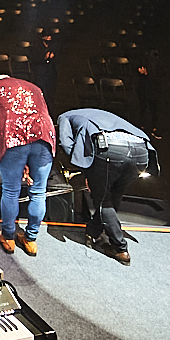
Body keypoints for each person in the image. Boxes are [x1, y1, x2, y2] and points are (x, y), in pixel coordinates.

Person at [57, 108, 157, 265]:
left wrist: (87, 171)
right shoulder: (101, 114)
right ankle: (93, 231)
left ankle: (120, 248)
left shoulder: (64, 117)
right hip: (142, 151)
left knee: (103, 200)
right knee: (114, 195)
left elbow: (66, 143)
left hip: (110, 149)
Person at [0, 74, 56, 256]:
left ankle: (8, 237)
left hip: (13, 135)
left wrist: (4, 146)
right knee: (39, 191)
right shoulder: (34, 86)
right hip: (44, 135)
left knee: (11, 191)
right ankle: (31, 239)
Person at [135, 47, 162, 139]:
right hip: (143, 86)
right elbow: (138, 70)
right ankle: (142, 127)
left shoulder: (156, 63)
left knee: (153, 108)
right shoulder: (143, 59)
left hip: (153, 87)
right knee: (143, 108)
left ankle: (154, 128)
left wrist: (148, 73)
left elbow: (158, 74)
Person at [30, 33, 58, 110]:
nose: (49, 38)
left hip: (50, 71)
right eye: (47, 37)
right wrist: (44, 58)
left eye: (50, 37)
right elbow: (34, 61)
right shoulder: (36, 48)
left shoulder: (53, 47)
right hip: (40, 71)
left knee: (50, 91)